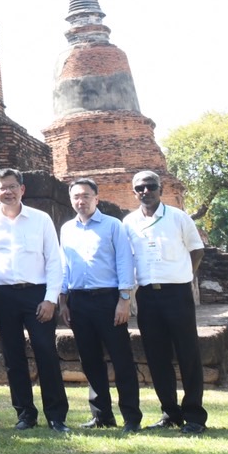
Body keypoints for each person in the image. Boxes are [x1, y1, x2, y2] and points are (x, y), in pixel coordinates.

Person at [0, 167, 69, 432]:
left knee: (46, 352)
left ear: (22, 189)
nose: (8, 192)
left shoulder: (41, 220)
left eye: (13, 186)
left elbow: (54, 261)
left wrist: (51, 300)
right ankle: (25, 414)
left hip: (37, 294)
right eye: (3, 187)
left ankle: (56, 415)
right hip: (2, 295)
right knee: (13, 356)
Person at [123, 169, 207, 434]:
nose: (145, 192)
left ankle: (194, 415)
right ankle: (170, 412)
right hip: (147, 295)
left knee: (188, 354)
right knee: (157, 356)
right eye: (139, 188)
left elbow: (197, 250)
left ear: (160, 189)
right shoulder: (129, 222)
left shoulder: (178, 217)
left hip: (177, 292)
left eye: (150, 186)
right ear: (134, 191)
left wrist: (185, 275)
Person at [59, 177, 141, 431]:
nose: (80, 201)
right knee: (90, 359)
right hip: (78, 300)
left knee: (121, 358)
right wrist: (63, 300)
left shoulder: (113, 226)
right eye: (76, 196)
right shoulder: (67, 229)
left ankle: (131, 417)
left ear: (96, 197)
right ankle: (101, 415)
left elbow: (125, 262)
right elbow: (64, 266)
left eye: (85, 195)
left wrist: (124, 300)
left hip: (108, 299)